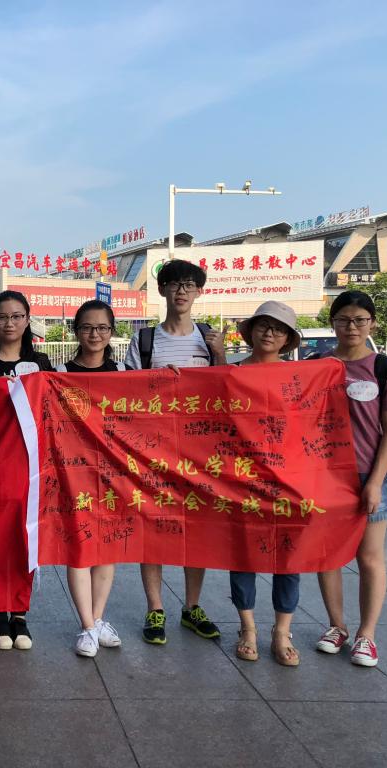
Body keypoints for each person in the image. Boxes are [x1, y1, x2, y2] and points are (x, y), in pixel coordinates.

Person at [123, 259, 226, 646]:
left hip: (199, 453)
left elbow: (225, 392)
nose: (181, 291)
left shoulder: (209, 339)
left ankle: (192, 606)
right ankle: (155, 608)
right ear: (162, 290)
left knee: (195, 530)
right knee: (152, 528)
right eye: (173, 284)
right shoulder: (144, 340)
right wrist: (156, 382)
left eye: (188, 285)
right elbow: (128, 394)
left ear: (199, 291)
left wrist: (219, 355)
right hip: (154, 451)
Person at [314, 290, 387, 668]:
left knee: (369, 557)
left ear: (372, 323)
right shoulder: (318, 366)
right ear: (333, 323)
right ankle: (336, 626)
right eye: (343, 320)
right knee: (328, 556)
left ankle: (366, 635)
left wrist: (375, 481)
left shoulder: (384, 368)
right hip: (324, 476)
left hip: (370, 473)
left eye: (359, 320)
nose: (351, 327)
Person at [0, 290, 53, 650]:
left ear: (27, 320)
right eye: (2, 317)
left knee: (25, 539)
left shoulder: (42, 363)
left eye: (17, 316)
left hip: (31, 465)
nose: (10, 323)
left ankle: (19, 613)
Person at [228, 301, 303, 666]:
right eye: (264, 325)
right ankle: (248, 628)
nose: (270, 333)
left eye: (279, 328)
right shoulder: (231, 373)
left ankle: (282, 631)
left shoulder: (300, 377)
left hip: (289, 481)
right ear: (251, 331)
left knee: (289, 556)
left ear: (287, 338)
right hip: (241, 479)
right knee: (242, 555)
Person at [55, 299, 123, 658]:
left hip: (112, 475)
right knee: (80, 548)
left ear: (111, 332)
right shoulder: (58, 374)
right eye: (86, 327)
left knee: (107, 549)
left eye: (102, 328)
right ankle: (86, 625)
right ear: (76, 331)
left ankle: (97, 621)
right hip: (73, 473)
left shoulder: (124, 373)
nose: (94, 334)